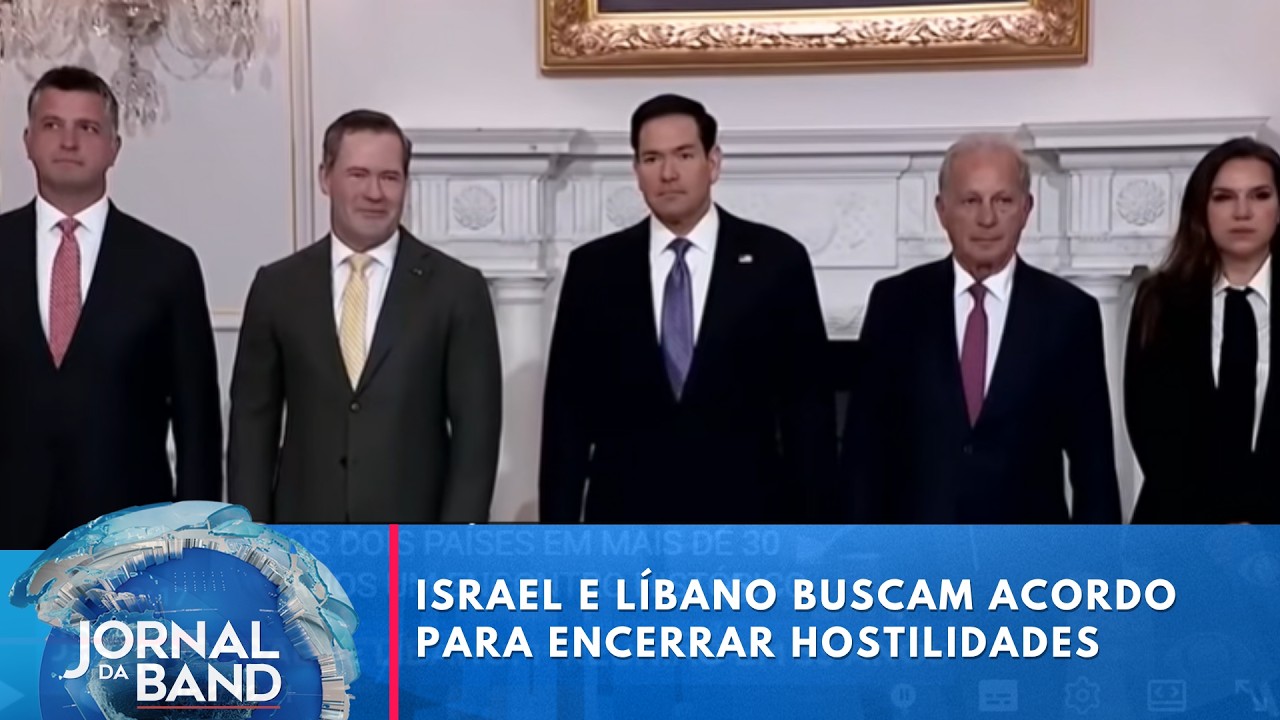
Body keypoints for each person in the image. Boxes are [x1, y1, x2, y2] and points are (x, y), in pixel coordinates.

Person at [538, 93, 837, 523]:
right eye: (652, 158)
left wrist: (815, 534)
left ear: (712, 163)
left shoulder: (777, 260)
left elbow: (808, 410)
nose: (668, 173)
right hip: (626, 523)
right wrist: (557, 536)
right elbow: (566, 417)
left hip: (747, 520)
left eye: (684, 155)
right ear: (636, 171)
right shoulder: (594, 268)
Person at [227, 110, 502, 523]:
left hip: (415, 541)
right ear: (325, 178)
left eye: (390, 177)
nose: (375, 193)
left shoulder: (457, 289)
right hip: (303, 540)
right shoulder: (277, 287)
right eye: (358, 174)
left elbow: (476, 441)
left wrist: (454, 546)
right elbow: (252, 428)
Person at [843, 133, 1121, 523]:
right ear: (942, 210)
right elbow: (864, 452)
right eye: (970, 201)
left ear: (1026, 209)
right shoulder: (896, 303)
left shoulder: (1070, 313)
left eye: (1003, 201)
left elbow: (1094, 469)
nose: (987, 219)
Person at [0, 66, 223, 549]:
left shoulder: (168, 265)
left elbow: (198, 426)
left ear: (114, 147)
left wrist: (197, 542)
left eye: (88, 127)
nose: (69, 141)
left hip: (130, 543)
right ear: (28, 141)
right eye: (53, 125)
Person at [1125, 137, 1277, 523]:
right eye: (1223, 197)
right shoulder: (1159, 299)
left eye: (1259, 195)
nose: (1242, 212)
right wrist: (1215, 535)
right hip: (1180, 532)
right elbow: (1149, 429)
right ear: (1201, 209)